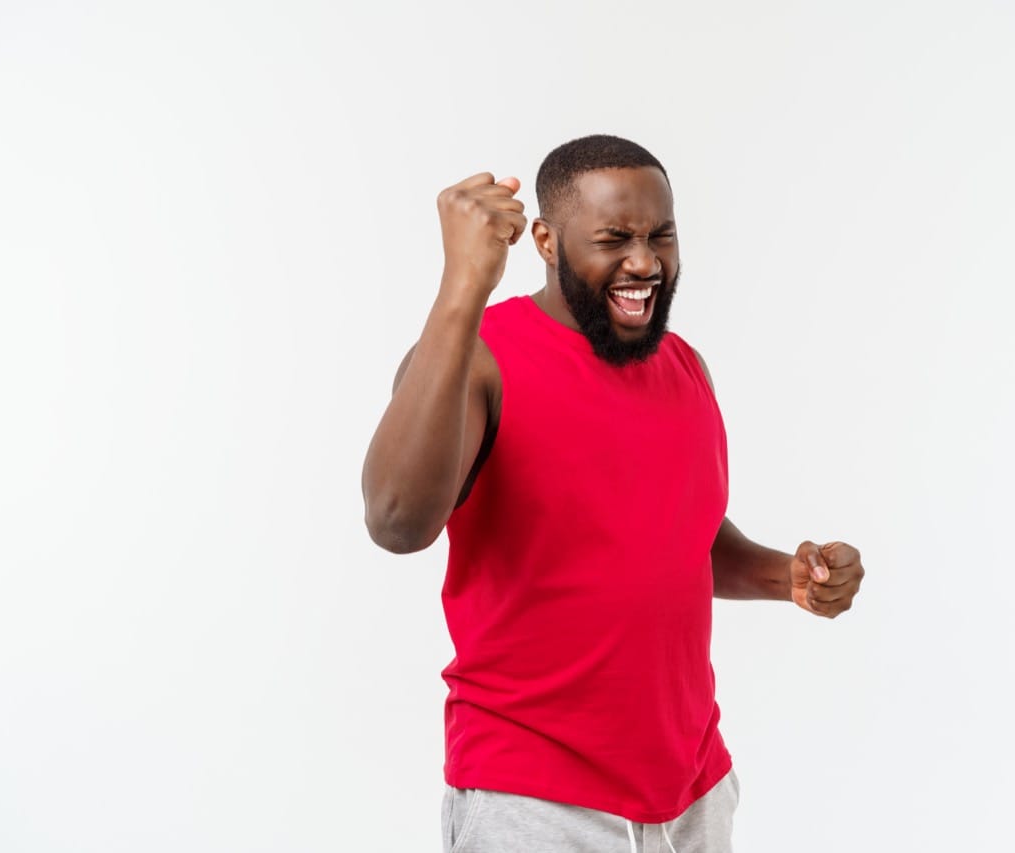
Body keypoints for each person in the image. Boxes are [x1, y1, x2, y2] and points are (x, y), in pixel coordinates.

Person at [361, 134, 865, 852]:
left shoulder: (685, 367)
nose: (644, 262)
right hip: (534, 800)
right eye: (614, 238)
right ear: (545, 241)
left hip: (692, 794)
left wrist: (788, 576)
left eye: (661, 236)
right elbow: (396, 520)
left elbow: (683, 537)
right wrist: (463, 287)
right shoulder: (476, 358)